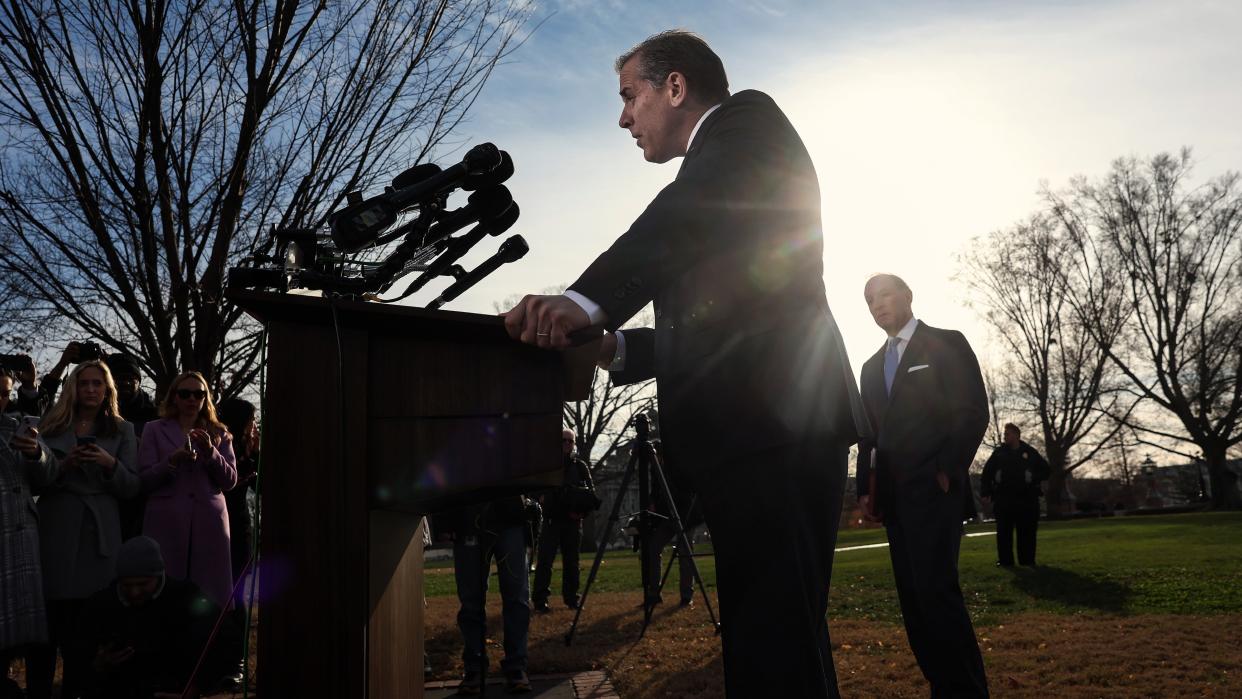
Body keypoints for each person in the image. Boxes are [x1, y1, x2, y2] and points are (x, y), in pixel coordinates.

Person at [501, 30, 865, 697]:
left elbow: (680, 220)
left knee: (778, 650)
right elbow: (725, 327)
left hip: (776, 432)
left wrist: (585, 302)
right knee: (771, 650)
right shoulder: (715, 190)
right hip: (757, 437)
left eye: (629, 95)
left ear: (676, 86)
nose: (622, 118)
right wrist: (615, 348)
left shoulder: (747, 124)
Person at [855, 273, 990, 698]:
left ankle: (966, 691)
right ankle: (941, 686)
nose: (878, 304)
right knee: (913, 600)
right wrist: (865, 490)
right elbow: (868, 436)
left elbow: (971, 411)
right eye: (869, 299)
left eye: (885, 294)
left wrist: (947, 469)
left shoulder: (948, 343)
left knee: (936, 591)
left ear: (908, 296)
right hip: (893, 500)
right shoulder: (870, 367)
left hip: (936, 490)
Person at [25, 360, 141, 699]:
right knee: (49, 625)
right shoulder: (50, 424)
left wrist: (110, 464)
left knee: (89, 628)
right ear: (72, 388)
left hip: (99, 531)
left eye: (97, 384)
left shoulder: (122, 430)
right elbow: (33, 480)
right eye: (84, 383)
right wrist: (63, 465)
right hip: (55, 528)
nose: (91, 389)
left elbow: (133, 487)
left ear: (107, 391)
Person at [78, 535, 237, 699]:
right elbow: (78, 657)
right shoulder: (100, 606)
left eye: (142, 584)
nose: (134, 592)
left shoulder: (187, 598)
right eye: (127, 585)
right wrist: (98, 664)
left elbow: (227, 643)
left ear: (159, 575)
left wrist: (195, 689)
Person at [137, 372, 238, 609]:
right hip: (167, 522)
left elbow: (231, 480)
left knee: (210, 597)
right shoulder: (153, 429)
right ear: (174, 397)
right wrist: (171, 460)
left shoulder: (220, 433)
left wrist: (212, 453)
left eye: (199, 394)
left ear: (206, 399)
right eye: (185, 393)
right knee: (165, 597)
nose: (192, 399)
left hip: (209, 524)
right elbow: (144, 480)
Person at [443, 497, 533, 694]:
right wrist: (447, 520)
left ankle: (516, 666)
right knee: (471, 600)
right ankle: (475, 667)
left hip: (510, 518)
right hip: (468, 518)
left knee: (516, 596)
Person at [1, 392, 56, 698]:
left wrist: (36, 452)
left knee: (32, 636)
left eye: (3, 392)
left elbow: (50, 475)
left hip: (21, 541)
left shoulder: (17, 426)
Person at [216, 397, 261, 689]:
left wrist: (257, 456)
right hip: (216, 524)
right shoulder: (219, 443)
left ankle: (237, 661)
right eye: (250, 420)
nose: (253, 426)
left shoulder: (251, 450)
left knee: (237, 593)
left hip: (240, 526)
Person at [531, 429, 594, 613]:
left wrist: (581, 513)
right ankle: (540, 600)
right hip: (550, 520)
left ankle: (572, 598)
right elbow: (534, 490)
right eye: (564, 440)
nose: (567, 444)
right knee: (544, 562)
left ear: (574, 444)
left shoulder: (580, 467)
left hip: (573, 522)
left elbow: (591, 495)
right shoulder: (546, 466)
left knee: (572, 561)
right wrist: (542, 499)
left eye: (570, 441)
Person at [107, 353, 159, 542]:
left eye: (131, 378)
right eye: (119, 379)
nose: (126, 384)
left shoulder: (155, 416)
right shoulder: (96, 415)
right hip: (107, 499)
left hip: (145, 503)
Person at [980, 423, 1050, 567]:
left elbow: (1046, 470)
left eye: (1008, 434)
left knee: (1027, 532)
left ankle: (1027, 561)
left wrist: (1033, 477)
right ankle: (1005, 561)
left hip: (1027, 499)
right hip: (1004, 499)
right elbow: (986, 473)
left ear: (1017, 435)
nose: (1005, 437)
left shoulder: (1030, 453)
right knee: (1004, 532)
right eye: (1005, 434)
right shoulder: (999, 454)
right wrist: (986, 491)